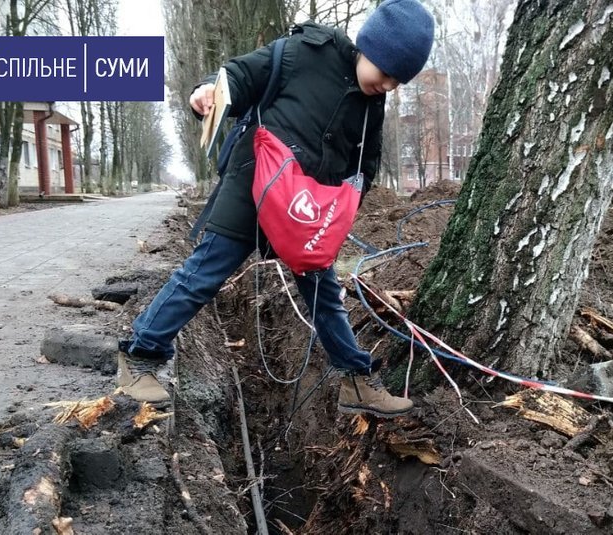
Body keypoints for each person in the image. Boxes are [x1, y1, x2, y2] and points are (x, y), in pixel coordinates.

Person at [117, 0, 435, 418]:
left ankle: (356, 382)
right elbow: (242, 74)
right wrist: (209, 88)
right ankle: (142, 356)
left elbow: (366, 161)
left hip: (304, 212)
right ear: (370, 47)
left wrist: (346, 204)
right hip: (253, 186)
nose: (390, 86)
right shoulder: (305, 53)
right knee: (206, 272)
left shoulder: (372, 103)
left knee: (325, 294)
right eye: (387, 73)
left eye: (399, 81)